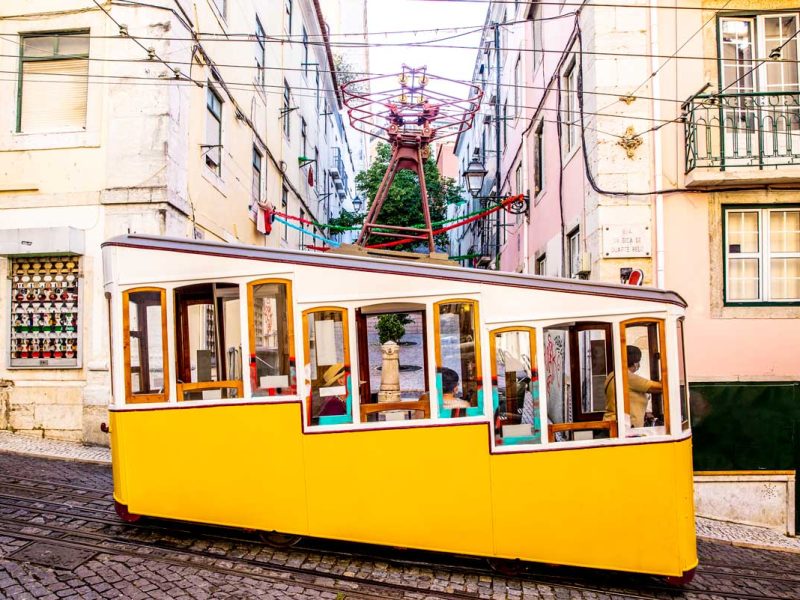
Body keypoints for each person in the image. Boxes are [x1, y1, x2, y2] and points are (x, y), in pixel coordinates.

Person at [603, 345, 663, 428]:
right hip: (624, 428)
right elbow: (660, 387)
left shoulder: (612, 375)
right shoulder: (628, 377)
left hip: (614, 425)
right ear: (635, 363)